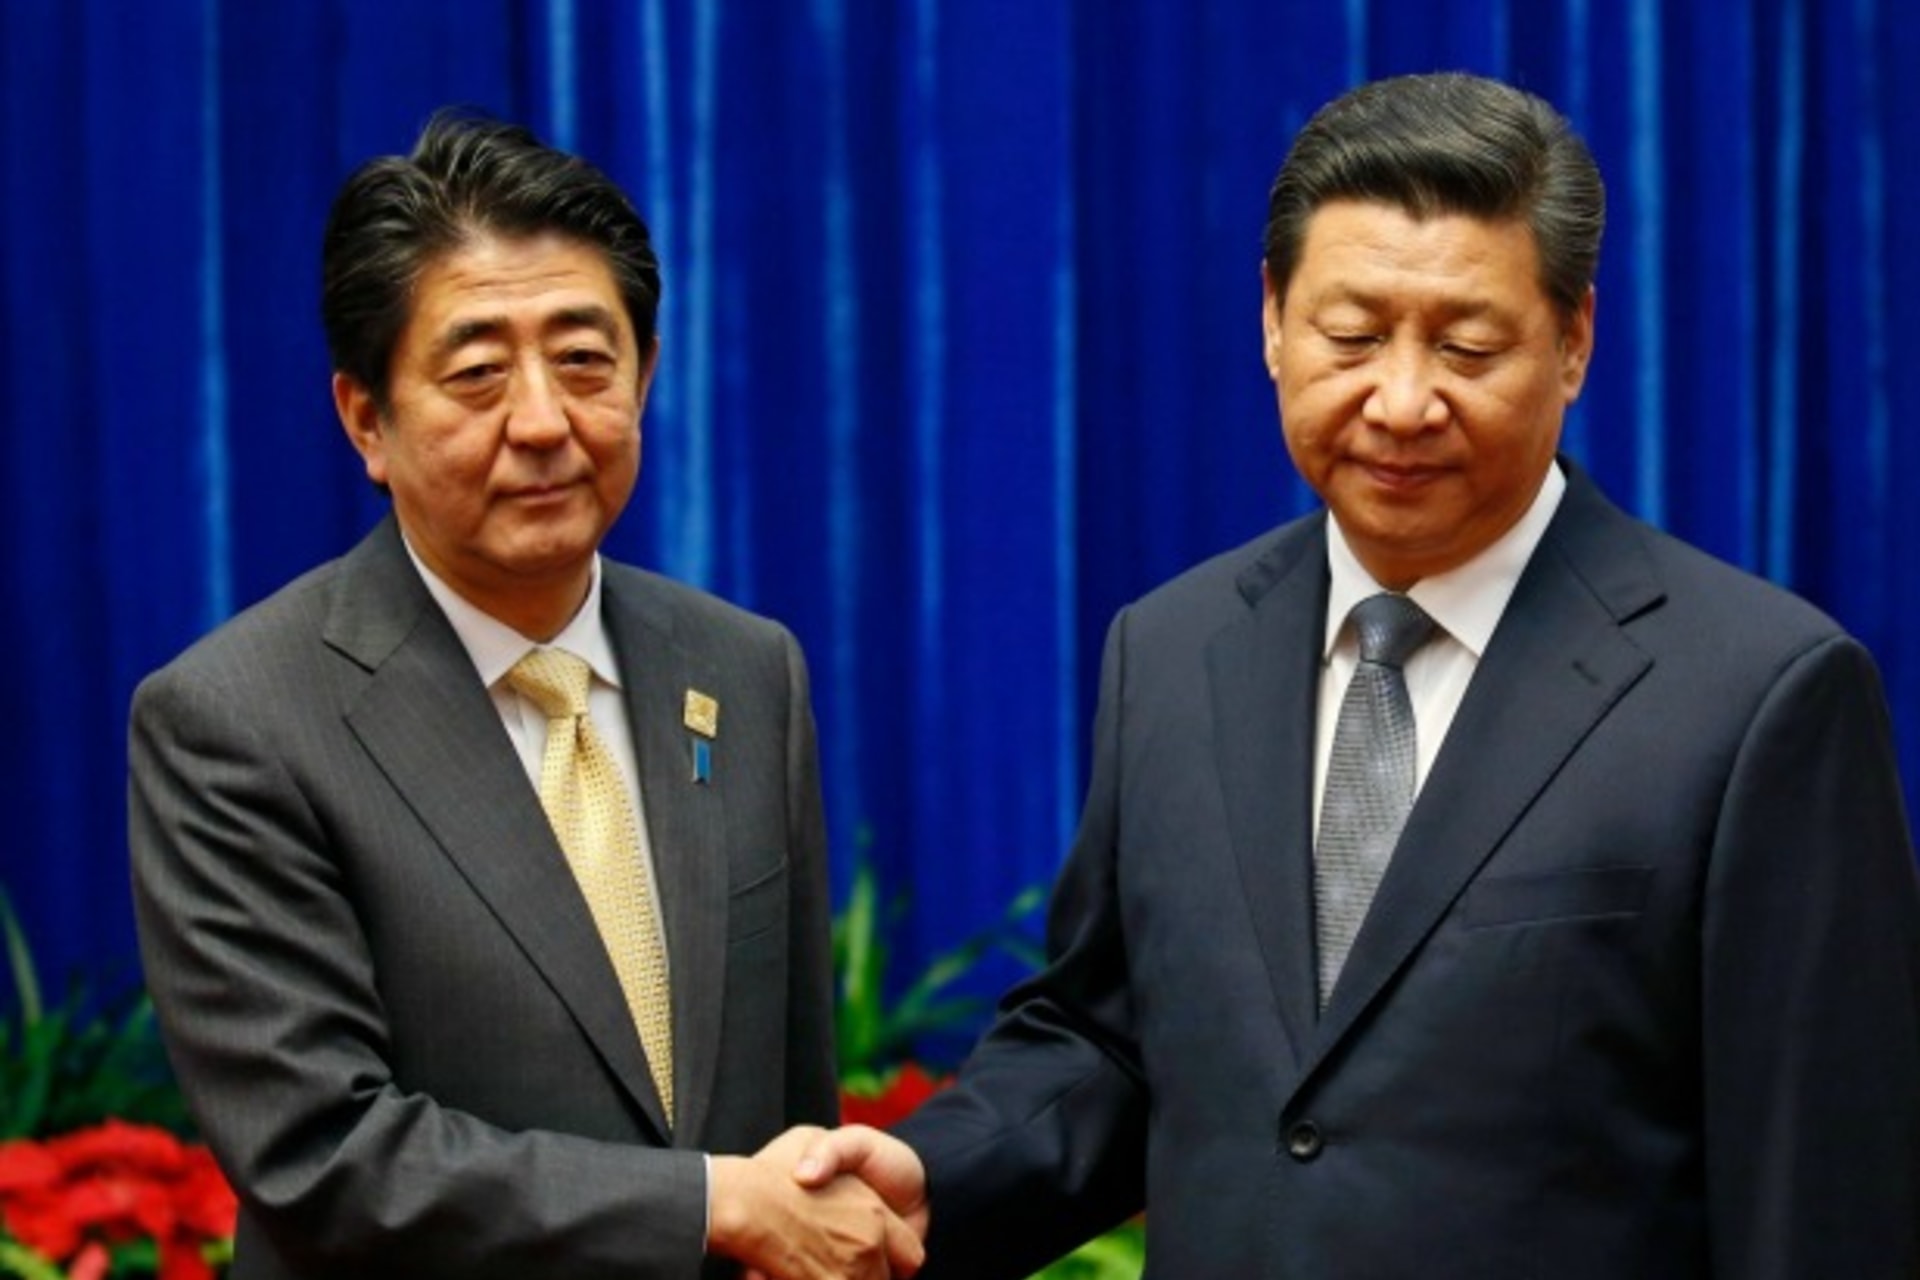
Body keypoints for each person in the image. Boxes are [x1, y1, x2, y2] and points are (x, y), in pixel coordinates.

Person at [794, 72, 1920, 1277]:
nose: (1402, 399)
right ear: (1273, 319)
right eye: (1353, 335)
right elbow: (1115, 1041)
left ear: (1576, 339)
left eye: (1468, 345)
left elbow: (1819, 1186)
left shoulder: (1759, 692)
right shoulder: (1172, 648)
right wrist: (931, 1178)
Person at [129, 112, 920, 1280]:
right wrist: (707, 1204)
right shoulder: (236, 718)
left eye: (585, 360)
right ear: (367, 419)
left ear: (645, 377)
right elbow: (323, 1149)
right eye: (478, 373)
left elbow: (790, 1114)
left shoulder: (745, 670)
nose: (544, 421)